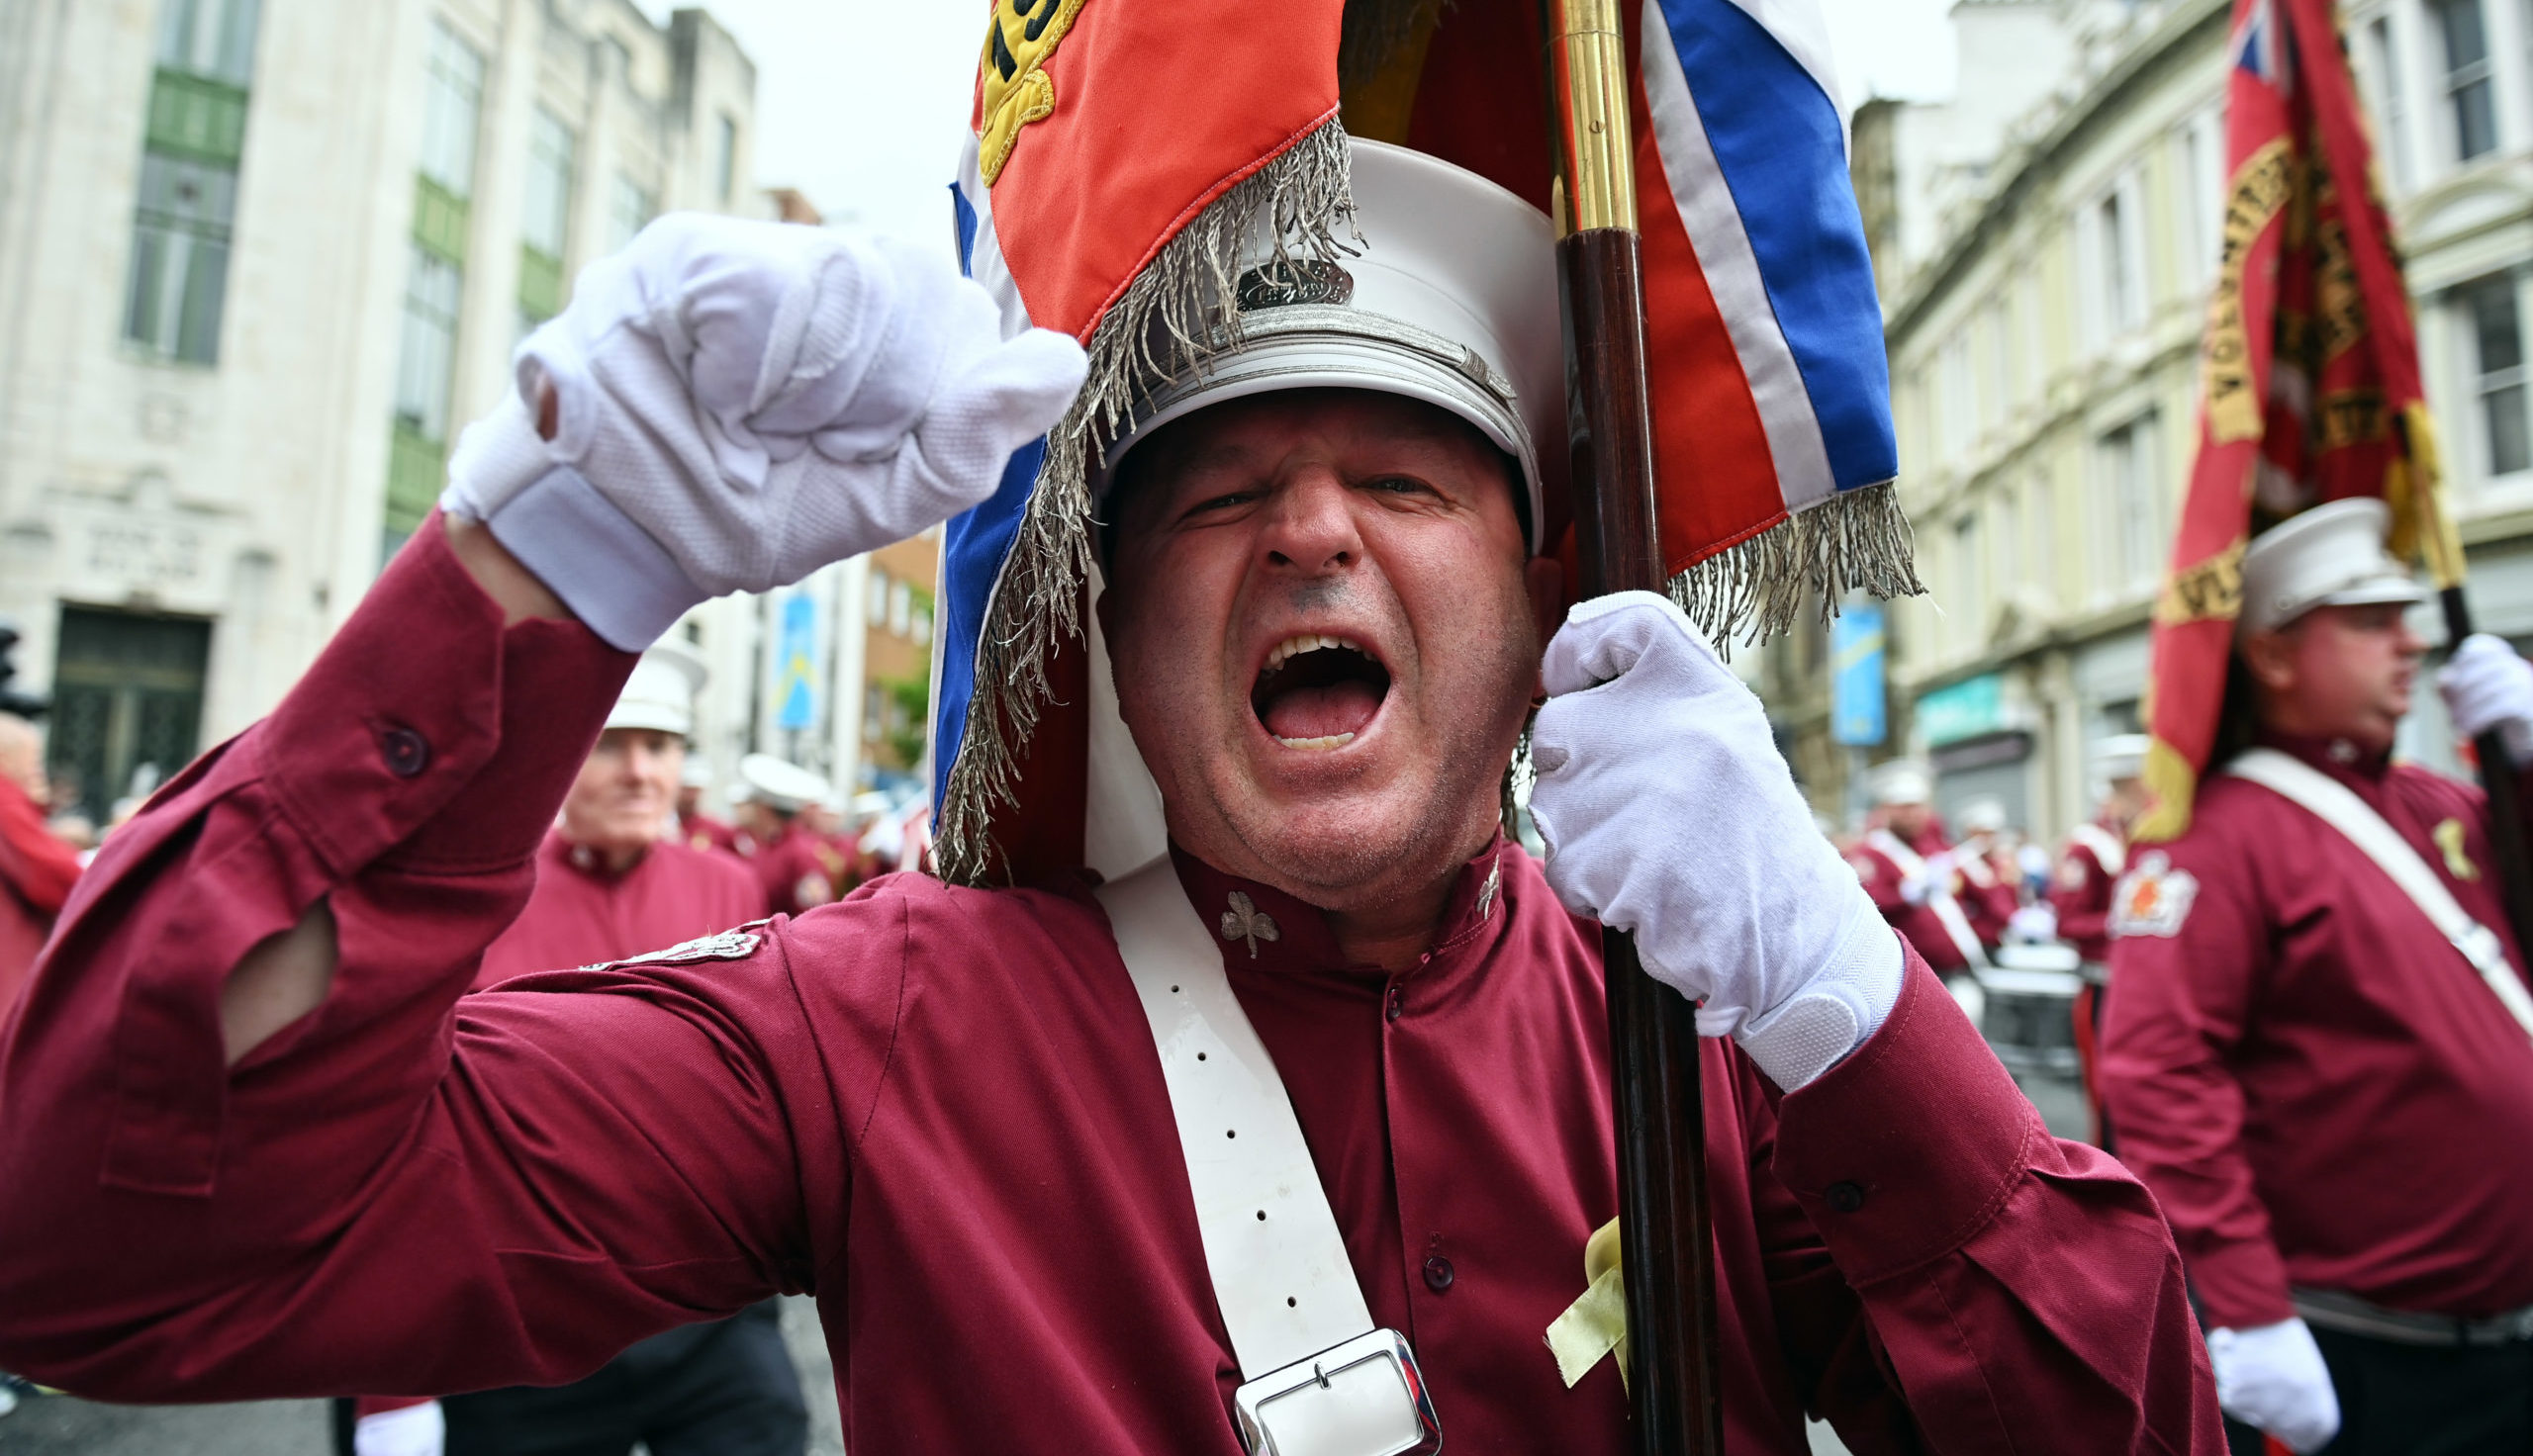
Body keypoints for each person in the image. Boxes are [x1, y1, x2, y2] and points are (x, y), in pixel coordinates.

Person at [0, 171, 2218, 1451]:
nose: (1313, 535)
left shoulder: (1717, 1051)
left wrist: (1849, 1011)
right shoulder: (874, 1020)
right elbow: (127, 1258)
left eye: (1409, 482)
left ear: (1542, 589)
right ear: (1117, 640)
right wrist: (541, 570)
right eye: (1223, 496)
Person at [2104, 499, 2533, 1455]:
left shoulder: (2434, 803)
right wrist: (2249, 1308)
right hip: (2375, 1353)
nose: (2411, 645)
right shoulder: (2217, 835)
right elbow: (2162, 1078)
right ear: (2276, 654)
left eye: (2407, 618)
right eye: (2373, 623)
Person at [345, 644, 802, 1456]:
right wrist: (393, 1388)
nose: (639, 773)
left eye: (659, 747)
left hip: (708, 1315)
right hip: (523, 1328)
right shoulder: (469, 898)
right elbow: (391, 1137)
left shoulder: (726, 888)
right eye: (610, 744)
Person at [2052, 733, 2149, 1150]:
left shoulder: (2156, 835)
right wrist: (2122, 921)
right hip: (2106, 985)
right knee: (2111, 1091)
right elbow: (2068, 922)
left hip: (2154, 983)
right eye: (2129, 786)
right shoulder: (2090, 846)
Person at [1848, 762, 2009, 981]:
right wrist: (1904, 897)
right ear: (1886, 809)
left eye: (1918, 806)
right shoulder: (1870, 853)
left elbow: (1977, 894)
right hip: (1911, 975)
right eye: (1904, 807)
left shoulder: (1937, 847)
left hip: (1959, 966)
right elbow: (1863, 904)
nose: (1912, 814)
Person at [0, 713, 77, 1011]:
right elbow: (61, 879)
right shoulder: (5, 802)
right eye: (32, 763)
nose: (37, 772)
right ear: (5, 760)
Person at [730, 755, 837, 917]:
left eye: (751, 803)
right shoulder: (769, 845)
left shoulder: (801, 853)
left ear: (763, 809)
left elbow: (815, 919)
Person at [675, 759, 743, 858]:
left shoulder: (720, 830)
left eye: (695, 790)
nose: (691, 796)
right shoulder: (660, 827)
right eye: (687, 789)